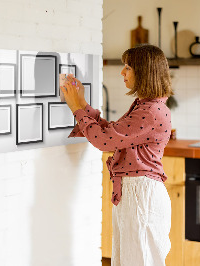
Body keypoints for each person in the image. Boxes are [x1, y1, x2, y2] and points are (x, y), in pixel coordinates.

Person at [61, 44, 173, 266]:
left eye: (128, 67)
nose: (122, 72)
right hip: (136, 193)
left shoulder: (150, 111)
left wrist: (76, 108)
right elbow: (112, 133)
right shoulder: (146, 106)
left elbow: (104, 141)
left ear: (144, 72)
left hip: (141, 195)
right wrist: (82, 103)